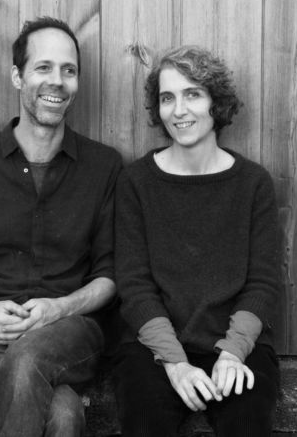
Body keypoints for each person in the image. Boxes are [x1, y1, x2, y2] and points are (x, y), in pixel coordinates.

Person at [0, 17, 122, 437]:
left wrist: (59, 308)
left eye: (69, 70)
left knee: (29, 357)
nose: (58, 81)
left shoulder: (104, 167)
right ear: (18, 76)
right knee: (64, 414)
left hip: (71, 332)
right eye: (43, 67)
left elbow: (111, 275)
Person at [113, 45, 281, 436]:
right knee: (145, 421)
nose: (179, 110)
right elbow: (134, 285)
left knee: (246, 421)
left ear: (215, 103)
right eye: (167, 98)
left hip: (238, 342)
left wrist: (233, 353)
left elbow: (263, 282)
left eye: (192, 94)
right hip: (153, 347)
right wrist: (175, 363)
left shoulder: (253, 183)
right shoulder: (136, 182)